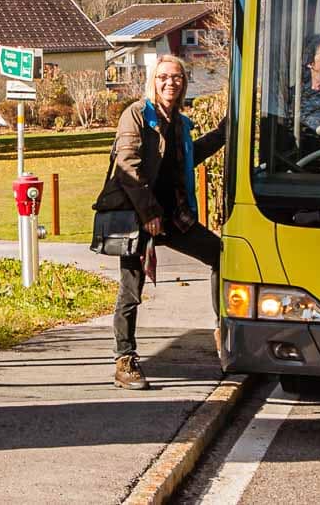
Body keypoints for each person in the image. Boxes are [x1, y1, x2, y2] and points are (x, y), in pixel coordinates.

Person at [93, 54, 226, 390]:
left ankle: (223, 331)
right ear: (153, 81)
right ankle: (125, 359)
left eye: (178, 78)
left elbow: (188, 155)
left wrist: (224, 132)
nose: (171, 83)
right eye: (164, 77)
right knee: (131, 289)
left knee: (219, 254)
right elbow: (128, 166)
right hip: (140, 216)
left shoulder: (179, 122)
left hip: (174, 215)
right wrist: (149, 212)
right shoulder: (136, 115)